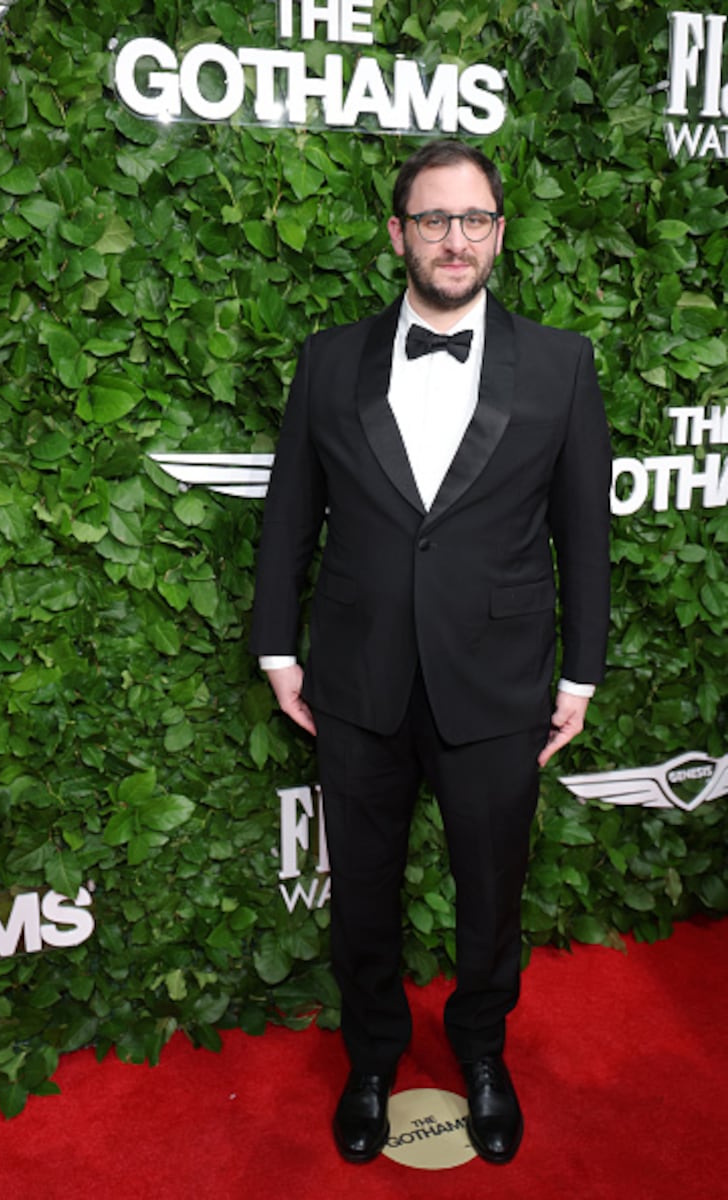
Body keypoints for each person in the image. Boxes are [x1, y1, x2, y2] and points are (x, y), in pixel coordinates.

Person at [250, 139, 611, 1166]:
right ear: (397, 232)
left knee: (491, 895)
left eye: (474, 219)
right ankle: (371, 1058)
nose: (455, 239)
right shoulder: (328, 359)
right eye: (434, 219)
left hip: (498, 685)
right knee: (361, 892)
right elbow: (289, 516)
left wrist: (579, 674)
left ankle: (481, 1052)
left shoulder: (561, 363)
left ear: (498, 233)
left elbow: (583, 531)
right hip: (356, 678)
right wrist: (276, 650)